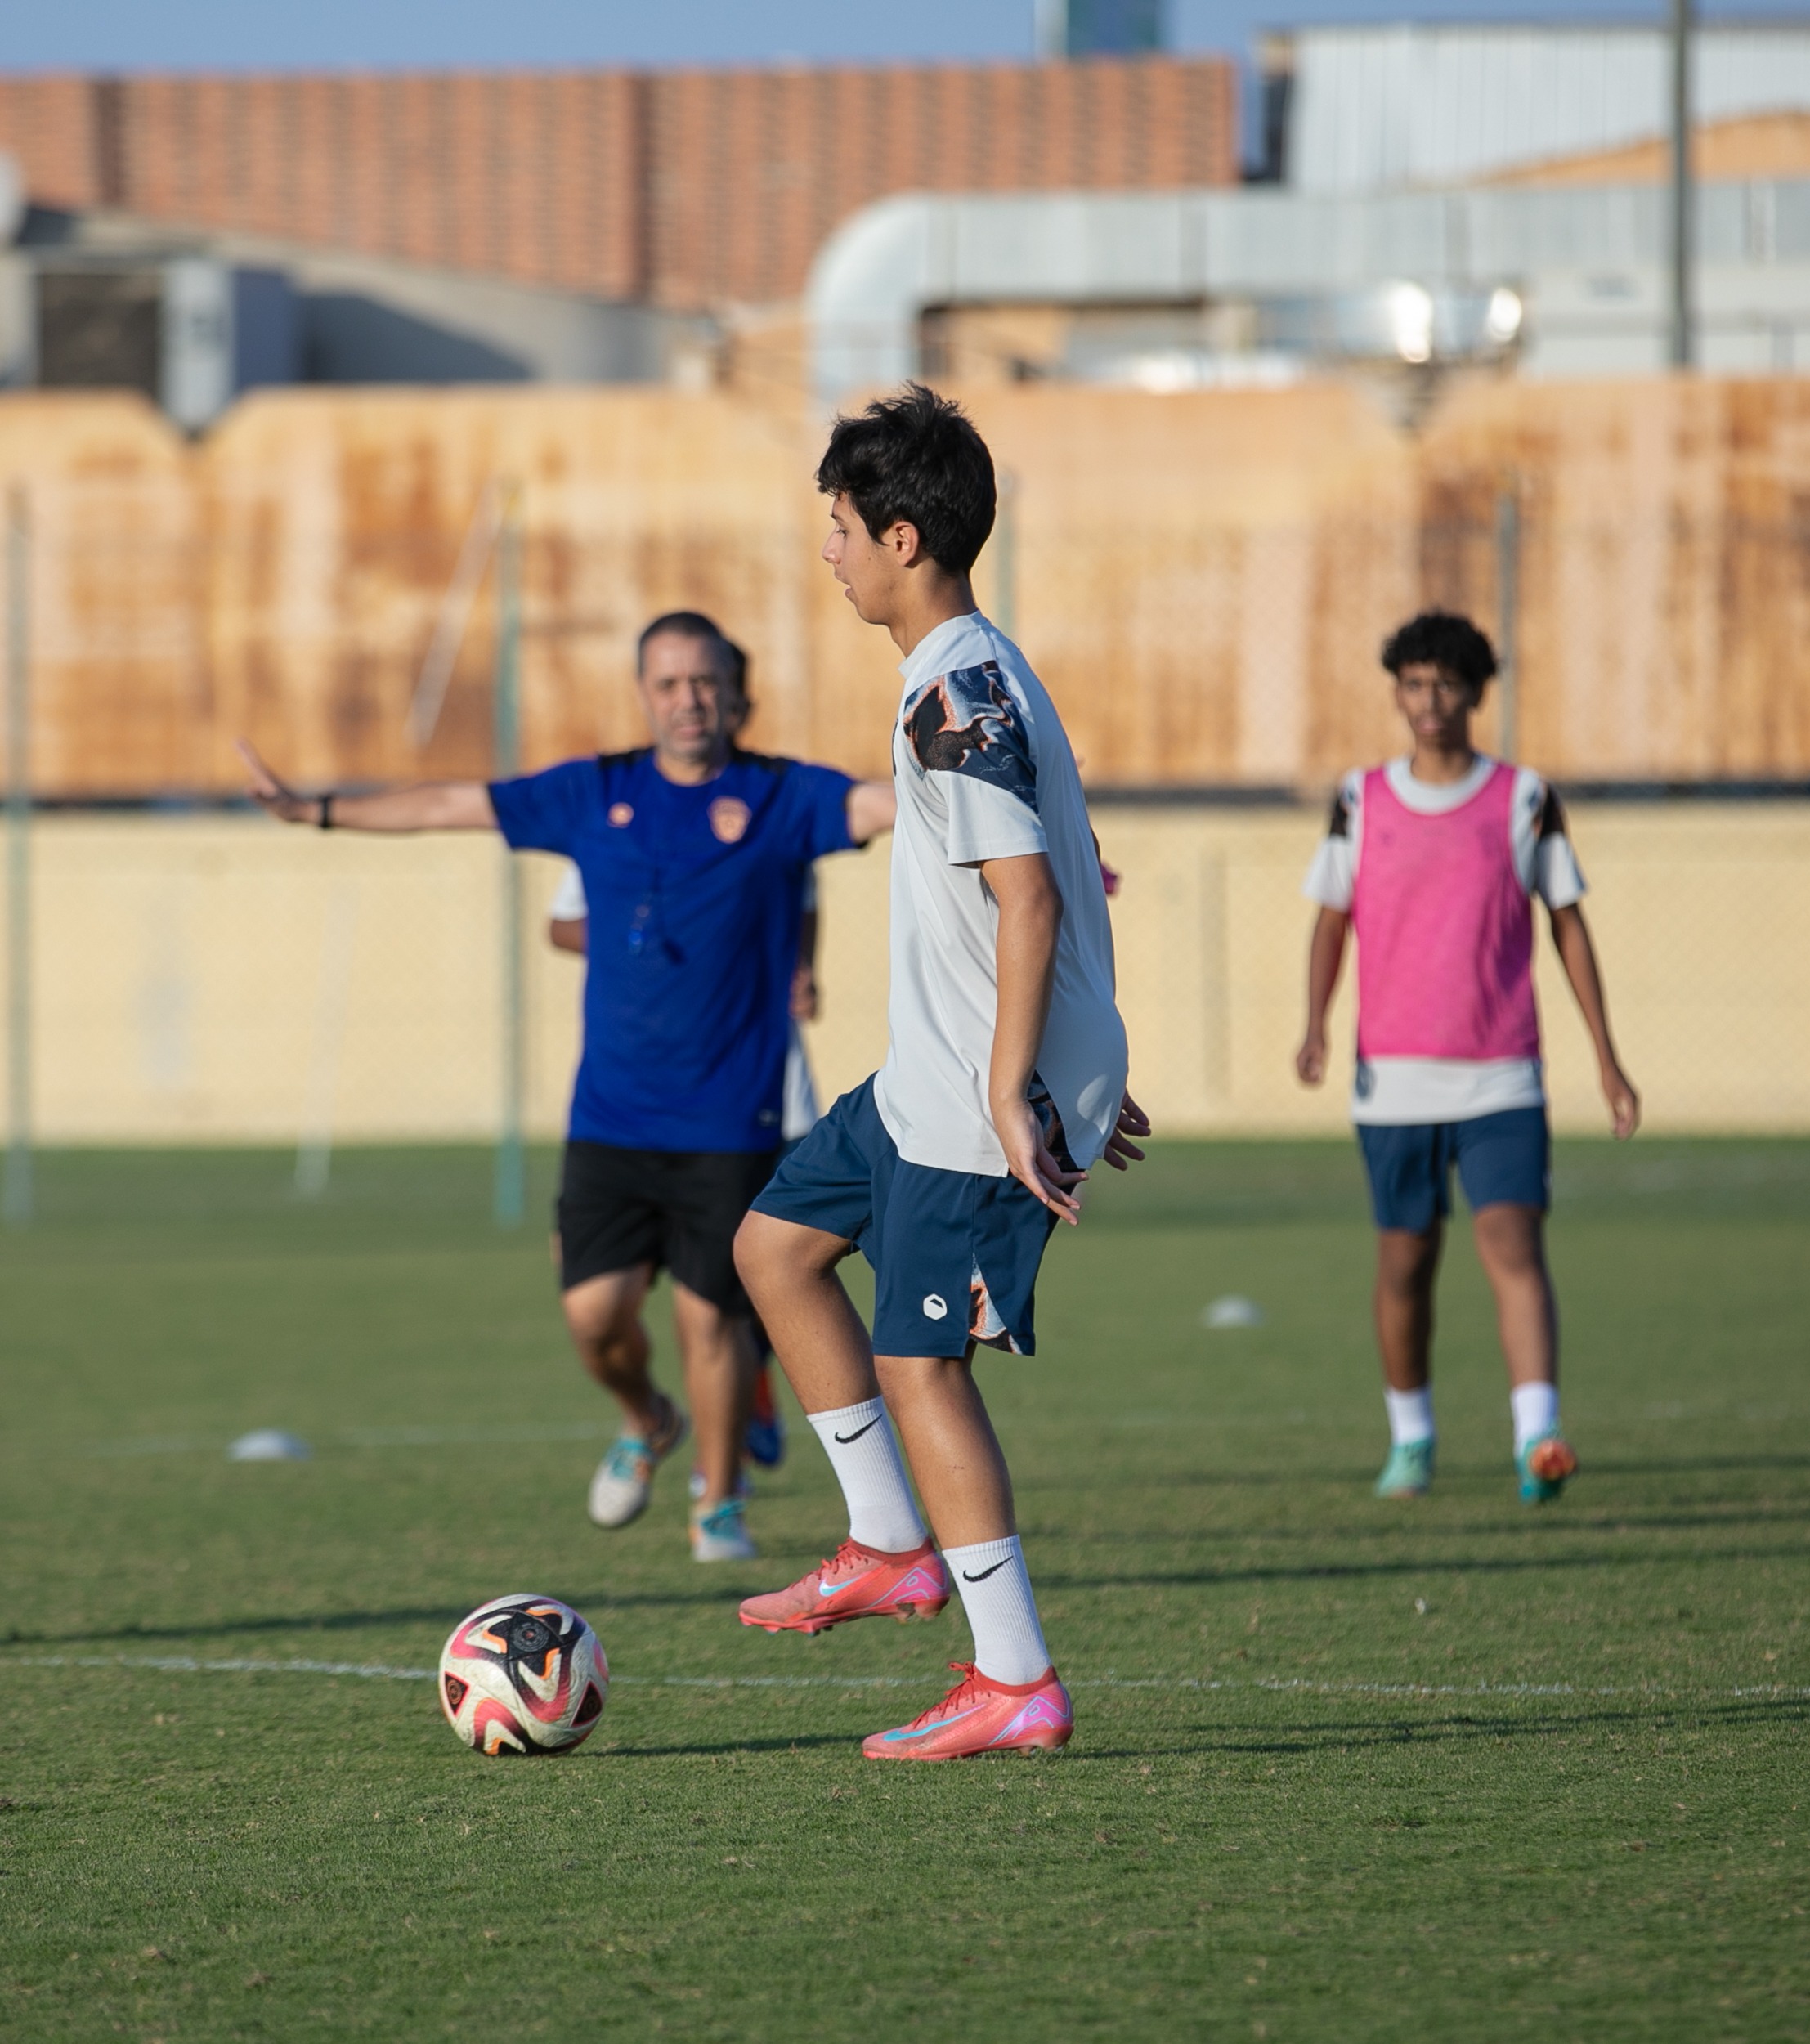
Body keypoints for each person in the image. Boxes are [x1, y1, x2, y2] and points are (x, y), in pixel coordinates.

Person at [240, 611, 894, 1561]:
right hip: (611, 1121)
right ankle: (648, 1418)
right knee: (594, 1319)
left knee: (711, 1320)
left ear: (733, 694)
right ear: (643, 695)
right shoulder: (596, 791)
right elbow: (448, 804)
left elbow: (880, 805)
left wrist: (1004, 789)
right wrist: (318, 810)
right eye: (668, 683)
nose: (688, 700)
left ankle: (718, 1502)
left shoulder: (780, 795)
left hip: (731, 1119)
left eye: (704, 681)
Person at [732, 384, 1151, 1762]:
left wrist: (1022, 1087)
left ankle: (1015, 1679)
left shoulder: (955, 693)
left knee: (920, 1368)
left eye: (841, 527)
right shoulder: (965, 671)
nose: (831, 552)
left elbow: (1031, 895)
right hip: (939, 1070)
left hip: (977, 1092)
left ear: (901, 539)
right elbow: (1063, 874)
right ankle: (885, 1543)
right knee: (773, 1249)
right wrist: (1076, 1064)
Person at [1294, 610, 1639, 1505]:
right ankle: (1411, 1438)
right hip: (1393, 1081)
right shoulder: (1360, 798)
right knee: (1406, 1262)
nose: (1429, 700)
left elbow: (1568, 924)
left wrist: (1606, 1057)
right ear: (1397, 693)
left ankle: (1538, 1438)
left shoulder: (1525, 798)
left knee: (1513, 1244)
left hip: (1502, 1074)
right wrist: (1316, 1024)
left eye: (1446, 683)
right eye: (1414, 683)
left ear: (1477, 693)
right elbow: (1332, 919)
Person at [547, 857, 824, 1474]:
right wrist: (661, 946)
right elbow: (562, 923)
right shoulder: (614, 825)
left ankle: (720, 1482)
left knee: (726, 1296)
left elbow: (804, 897)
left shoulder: (771, 820)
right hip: (634, 1116)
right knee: (595, 1306)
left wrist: (803, 967)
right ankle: (652, 1418)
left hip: (754, 1107)